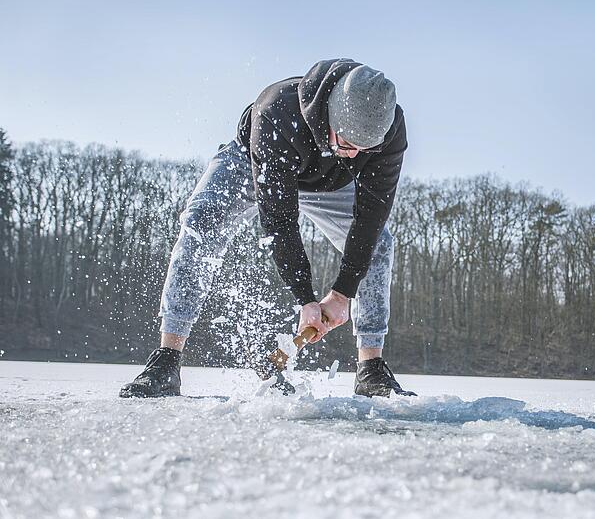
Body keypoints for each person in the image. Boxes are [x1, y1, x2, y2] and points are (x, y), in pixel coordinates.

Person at [119, 58, 415, 398]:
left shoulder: (389, 129)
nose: (354, 156)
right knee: (201, 222)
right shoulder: (277, 111)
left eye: (365, 150)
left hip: (329, 183)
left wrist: (341, 293)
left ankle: (371, 369)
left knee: (380, 243)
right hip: (254, 161)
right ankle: (167, 359)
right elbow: (280, 221)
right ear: (331, 117)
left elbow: (370, 217)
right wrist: (305, 299)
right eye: (347, 144)